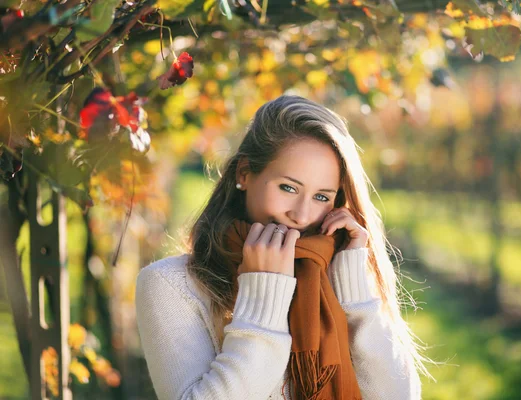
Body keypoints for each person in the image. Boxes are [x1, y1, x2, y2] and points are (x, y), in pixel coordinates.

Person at [135, 95, 425, 400]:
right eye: (288, 188)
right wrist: (264, 294)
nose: (301, 215)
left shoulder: (338, 276)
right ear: (244, 174)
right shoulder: (171, 285)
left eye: (321, 197)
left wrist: (354, 295)